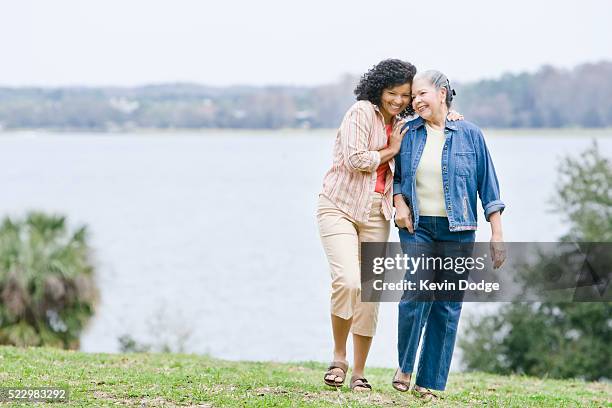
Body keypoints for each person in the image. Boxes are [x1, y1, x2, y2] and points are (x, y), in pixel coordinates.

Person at [316, 60, 462, 392]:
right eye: (391, 94)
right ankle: (339, 357)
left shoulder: (404, 122)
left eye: (404, 96)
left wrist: (451, 114)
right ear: (378, 88)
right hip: (339, 206)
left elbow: (435, 117)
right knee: (349, 282)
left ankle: (358, 373)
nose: (397, 101)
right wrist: (390, 150)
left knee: (369, 292)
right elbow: (356, 160)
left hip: (376, 213)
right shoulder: (361, 112)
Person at [391, 70, 506, 401]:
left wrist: (496, 233)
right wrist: (400, 202)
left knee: (446, 306)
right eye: (413, 97)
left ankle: (429, 383)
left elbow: (489, 186)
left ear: (442, 93)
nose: (415, 101)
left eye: (422, 93)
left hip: (459, 231)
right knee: (416, 291)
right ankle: (405, 365)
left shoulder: (470, 134)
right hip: (419, 229)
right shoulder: (408, 133)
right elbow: (396, 176)